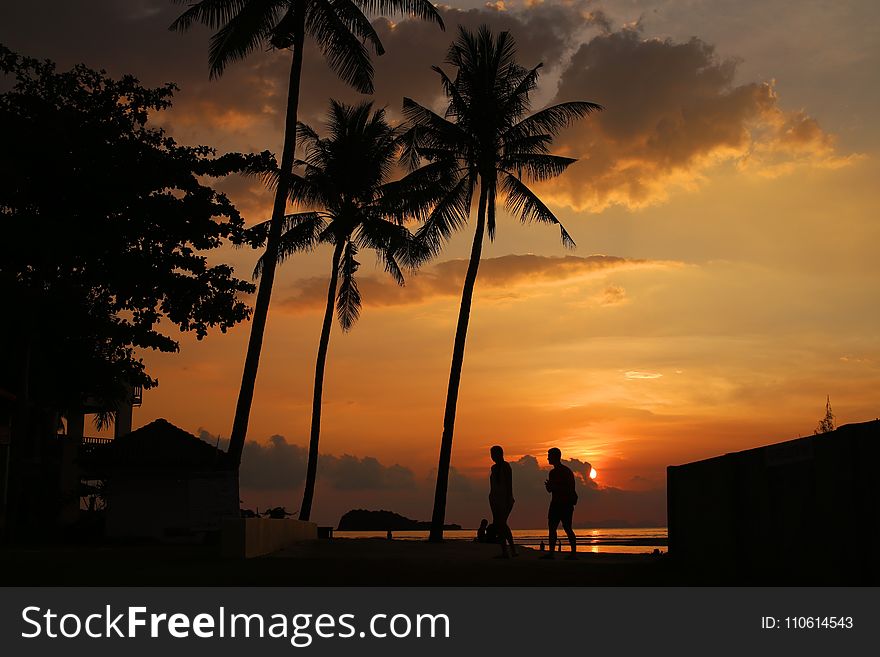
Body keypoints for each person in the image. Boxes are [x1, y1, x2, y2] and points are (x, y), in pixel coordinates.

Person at [542, 447, 578, 559]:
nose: (547, 458)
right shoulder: (552, 473)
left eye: (549, 455)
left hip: (565, 504)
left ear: (555, 457)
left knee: (567, 528)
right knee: (552, 528)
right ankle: (552, 553)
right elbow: (550, 490)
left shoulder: (566, 471)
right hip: (555, 503)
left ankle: (573, 553)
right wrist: (549, 487)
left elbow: (569, 489)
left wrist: (554, 487)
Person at [488, 445, 517, 558]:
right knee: (501, 525)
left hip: (504, 499)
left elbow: (509, 484)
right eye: (491, 455)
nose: (493, 457)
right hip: (494, 499)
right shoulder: (494, 468)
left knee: (501, 525)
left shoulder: (506, 466)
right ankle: (510, 550)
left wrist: (509, 498)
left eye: (494, 454)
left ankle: (506, 551)